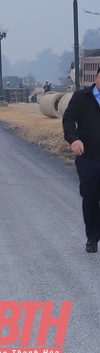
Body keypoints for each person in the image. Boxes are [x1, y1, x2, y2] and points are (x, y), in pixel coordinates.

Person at [62, 72, 100, 253]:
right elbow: (68, 120)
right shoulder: (81, 97)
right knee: (91, 198)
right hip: (88, 157)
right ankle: (92, 238)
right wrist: (74, 139)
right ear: (97, 78)